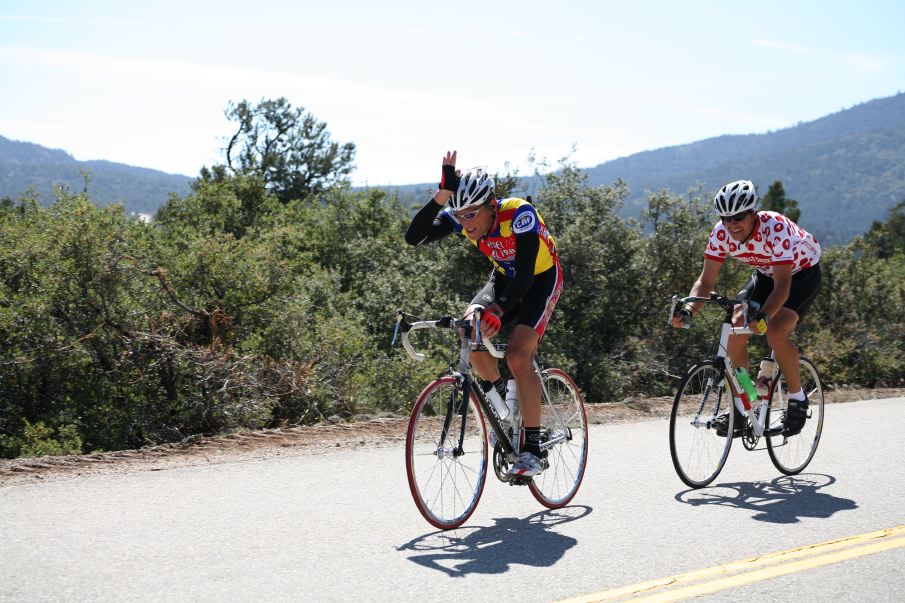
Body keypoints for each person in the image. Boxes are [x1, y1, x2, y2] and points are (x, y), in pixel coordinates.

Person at [405, 150, 563, 477]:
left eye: (473, 214)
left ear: (492, 206)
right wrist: (443, 194)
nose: (467, 223)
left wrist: (499, 308)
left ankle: (532, 450)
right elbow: (414, 237)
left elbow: (525, 277)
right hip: (504, 278)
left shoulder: (519, 214)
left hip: (539, 279)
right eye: (461, 215)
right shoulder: (462, 217)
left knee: (519, 356)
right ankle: (503, 414)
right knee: (469, 330)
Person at [671, 180, 821, 437]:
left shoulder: (775, 227)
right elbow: (706, 282)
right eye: (726, 218)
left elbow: (783, 286)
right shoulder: (720, 233)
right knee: (736, 324)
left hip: (800, 275)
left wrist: (763, 316)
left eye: (739, 217)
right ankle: (745, 404)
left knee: (774, 331)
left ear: (753, 213)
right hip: (765, 274)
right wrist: (688, 311)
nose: (732, 224)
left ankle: (797, 397)